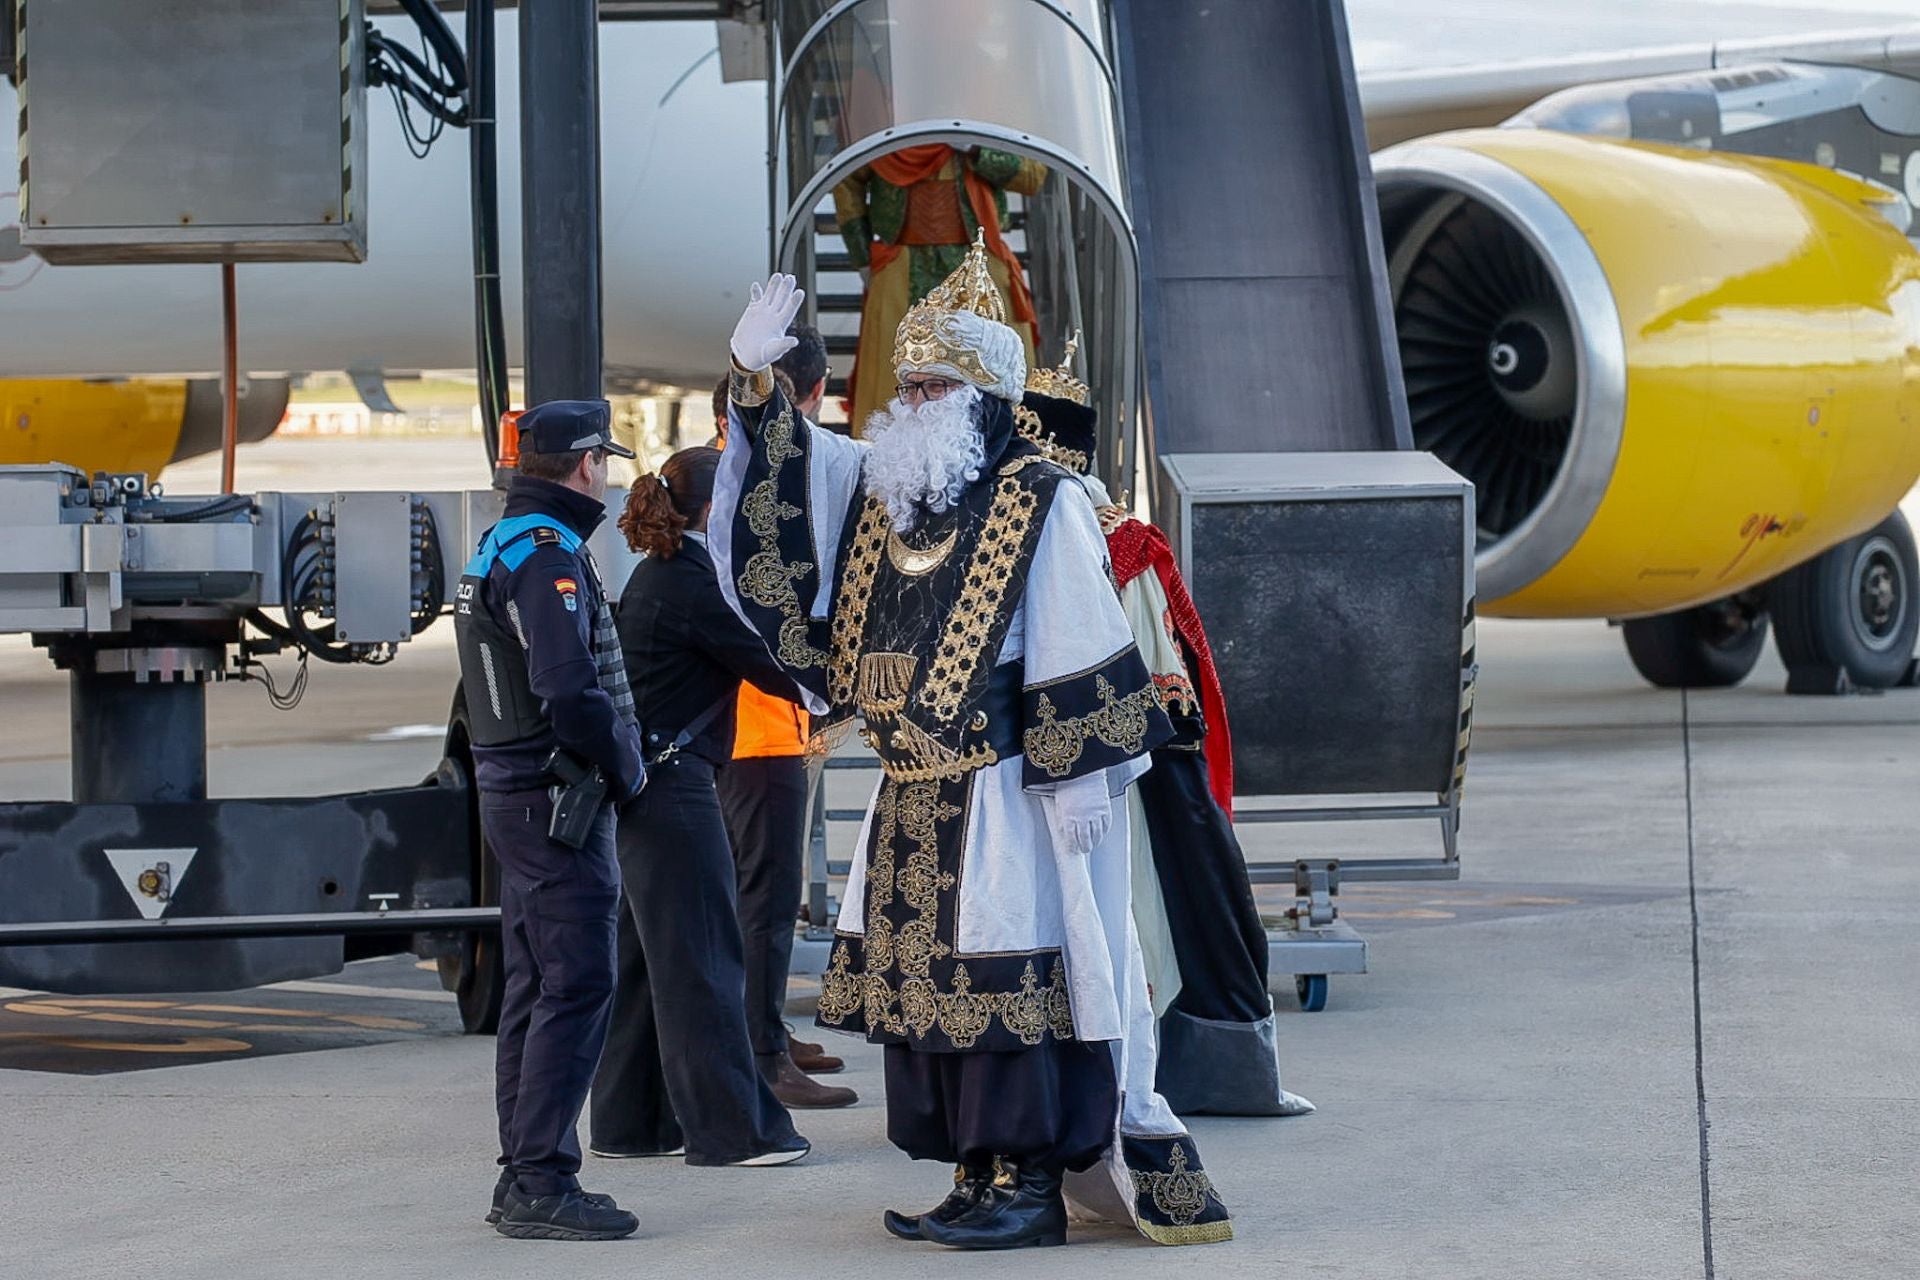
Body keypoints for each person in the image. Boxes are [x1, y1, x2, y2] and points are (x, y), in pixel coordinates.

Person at [710, 248, 1234, 1249]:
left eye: (936, 385)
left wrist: (1083, 771)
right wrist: (756, 385)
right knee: (932, 1000)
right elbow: (792, 484)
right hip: (911, 794)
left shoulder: (1043, 496)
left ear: (984, 392)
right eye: (906, 384)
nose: (915, 401)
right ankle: (974, 1170)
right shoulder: (888, 488)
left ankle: (1027, 1185)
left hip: (1009, 794)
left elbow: (1079, 621)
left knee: (1010, 989)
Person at [1018, 342, 1316, 1119]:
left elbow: (1158, 680)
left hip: (1121, 770)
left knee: (1150, 910)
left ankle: (1160, 1073)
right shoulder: (1031, 532)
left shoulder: (1123, 545)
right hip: (1036, 761)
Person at [588, 446, 814, 1167]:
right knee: (705, 961)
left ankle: (633, 1122)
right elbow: (778, 668)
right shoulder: (697, 583)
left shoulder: (663, 575)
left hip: (645, 787)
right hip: (679, 787)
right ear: (717, 512)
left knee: (649, 960)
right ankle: (735, 1132)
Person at [454, 398, 645, 1242]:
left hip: (516, 793)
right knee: (577, 982)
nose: (604, 472)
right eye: (601, 457)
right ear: (583, 463)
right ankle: (539, 1181)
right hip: (550, 793)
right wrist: (625, 764)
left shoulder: (504, 540)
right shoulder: (547, 554)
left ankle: (524, 1173)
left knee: (537, 986)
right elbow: (568, 686)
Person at [712, 329, 860, 1107]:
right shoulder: (742, 486)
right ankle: (761, 1052)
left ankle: (762, 1022)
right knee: (764, 900)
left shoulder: (738, 476)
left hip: (772, 724)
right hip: (757, 724)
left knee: (769, 892)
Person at [834, 146, 1046, 429]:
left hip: (980, 262)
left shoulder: (991, 113)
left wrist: (977, 148)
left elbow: (1032, 176)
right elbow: (846, 177)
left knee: (999, 367)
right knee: (891, 380)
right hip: (902, 265)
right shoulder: (885, 124)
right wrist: (861, 254)